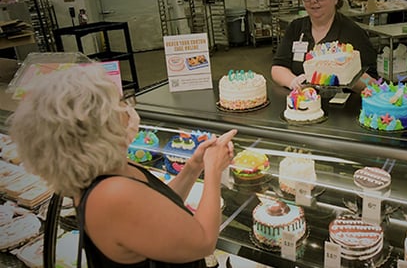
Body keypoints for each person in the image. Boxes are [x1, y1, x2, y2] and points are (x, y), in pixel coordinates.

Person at [7, 64, 237, 267]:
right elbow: (204, 241)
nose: (128, 108)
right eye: (120, 102)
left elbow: (159, 209)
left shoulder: (111, 168)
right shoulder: (111, 195)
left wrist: (194, 166)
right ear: (99, 123)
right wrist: (214, 172)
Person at [271, 0, 378, 93]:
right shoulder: (295, 28)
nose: (313, 1)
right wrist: (294, 82)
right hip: (302, 107)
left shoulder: (354, 33)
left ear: (336, 0)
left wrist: (348, 76)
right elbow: (278, 67)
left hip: (343, 111)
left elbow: (372, 82)